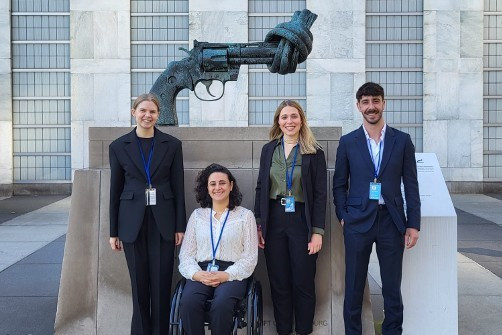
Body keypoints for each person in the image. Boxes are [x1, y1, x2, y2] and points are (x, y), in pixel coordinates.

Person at [333, 82, 421, 335]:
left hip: (392, 222)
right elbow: (339, 184)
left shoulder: (402, 141)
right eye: (365, 102)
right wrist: (343, 215)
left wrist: (413, 223)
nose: (371, 107)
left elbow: (411, 185)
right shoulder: (348, 142)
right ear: (358, 106)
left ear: (384, 103)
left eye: (375, 101)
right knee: (354, 286)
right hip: (357, 222)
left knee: (392, 287)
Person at [108, 93, 186, 335]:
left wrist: (179, 226)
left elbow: (178, 187)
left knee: (162, 285)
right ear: (134, 112)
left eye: (152, 112)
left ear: (158, 115)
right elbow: (115, 190)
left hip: (163, 223)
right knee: (139, 285)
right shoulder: (118, 146)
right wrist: (113, 232)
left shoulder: (172, 145)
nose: (147, 115)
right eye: (142, 111)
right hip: (131, 224)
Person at [254, 100, 327, 335]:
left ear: (301, 120)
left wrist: (317, 231)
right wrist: (258, 225)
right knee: (279, 281)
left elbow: (320, 195)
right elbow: (260, 187)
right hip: (274, 220)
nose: (289, 122)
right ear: (278, 121)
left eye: (294, 116)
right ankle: (283, 330)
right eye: (284, 117)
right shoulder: (268, 150)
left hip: (301, 220)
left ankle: (304, 330)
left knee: (303, 282)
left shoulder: (314, 152)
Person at [178, 163, 258, 335]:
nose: (217, 187)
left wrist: (227, 274)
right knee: (189, 302)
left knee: (222, 305)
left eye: (222, 183)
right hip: (202, 271)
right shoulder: (197, 216)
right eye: (212, 184)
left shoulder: (245, 216)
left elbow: (250, 257)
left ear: (231, 186)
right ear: (207, 189)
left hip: (233, 273)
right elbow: (186, 254)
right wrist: (196, 274)